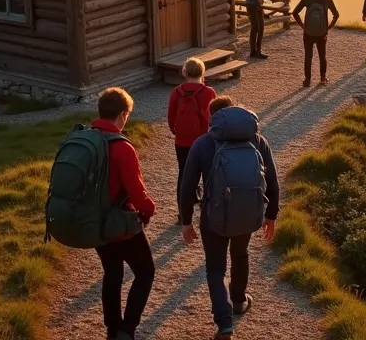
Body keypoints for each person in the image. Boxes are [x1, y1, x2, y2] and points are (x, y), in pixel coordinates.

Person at [179, 96, 280, 340]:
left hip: (213, 216)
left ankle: (224, 325)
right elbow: (272, 182)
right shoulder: (258, 141)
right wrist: (271, 215)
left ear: (211, 116)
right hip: (247, 213)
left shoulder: (202, 143)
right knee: (241, 253)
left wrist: (186, 220)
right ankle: (238, 300)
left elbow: (187, 185)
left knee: (215, 268)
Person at [91, 88, 158, 340]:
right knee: (145, 272)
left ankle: (112, 328)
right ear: (122, 114)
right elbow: (136, 191)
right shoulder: (122, 148)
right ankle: (127, 329)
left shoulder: (86, 139)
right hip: (120, 223)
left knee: (112, 273)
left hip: (93, 222)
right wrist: (149, 209)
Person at [168, 57, 217, 205]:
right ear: (202, 72)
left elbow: (171, 116)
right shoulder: (209, 92)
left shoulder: (176, 92)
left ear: (184, 72)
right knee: (208, 172)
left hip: (182, 140)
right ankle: (208, 206)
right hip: (204, 139)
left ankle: (183, 209)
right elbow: (214, 116)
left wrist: (175, 131)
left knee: (184, 172)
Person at [291, 0, 340, 88]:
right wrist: (328, 27)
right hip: (322, 33)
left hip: (308, 32)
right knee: (322, 56)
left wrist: (303, 25)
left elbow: (295, 13)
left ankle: (307, 80)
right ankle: (322, 78)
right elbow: (336, 15)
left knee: (308, 56)